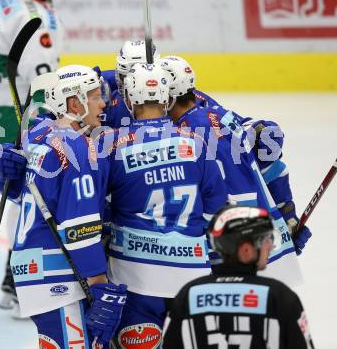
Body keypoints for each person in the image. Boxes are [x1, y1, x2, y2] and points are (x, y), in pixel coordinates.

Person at [0, 65, 127, 347]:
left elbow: (21, 193)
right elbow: (80, 230)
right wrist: (99, 284)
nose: (103, 103)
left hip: (32, 269)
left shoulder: (38, 134)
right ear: (74, 103)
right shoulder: (79, 150)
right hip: (58, 276)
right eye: (94, 96)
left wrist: (1, 170)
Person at [98, 62, 227, 348]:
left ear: (130, 100)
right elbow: (217, 212)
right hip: (192, 275)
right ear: (168, 99)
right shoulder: (197, 142)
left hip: (135, 277)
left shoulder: (111, 145)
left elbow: (95, 210)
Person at [160, 55, 311, 286]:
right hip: (268, 243)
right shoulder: (222, 116)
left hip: (230, 253)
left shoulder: (184, 136)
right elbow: (272, 165)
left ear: (168, 97)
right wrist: (287, 212)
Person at [0, 0, 64, 312]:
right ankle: (18, 280)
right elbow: (46, 88)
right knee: (31, 191)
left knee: (20, 188)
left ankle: (17, 277)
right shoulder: (34, 21)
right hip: (16, 114)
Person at [163, 205, 315, 349]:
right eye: (266, 239)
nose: (270, 246)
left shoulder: (188, 295)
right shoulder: (280, 296)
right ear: (246, 250)